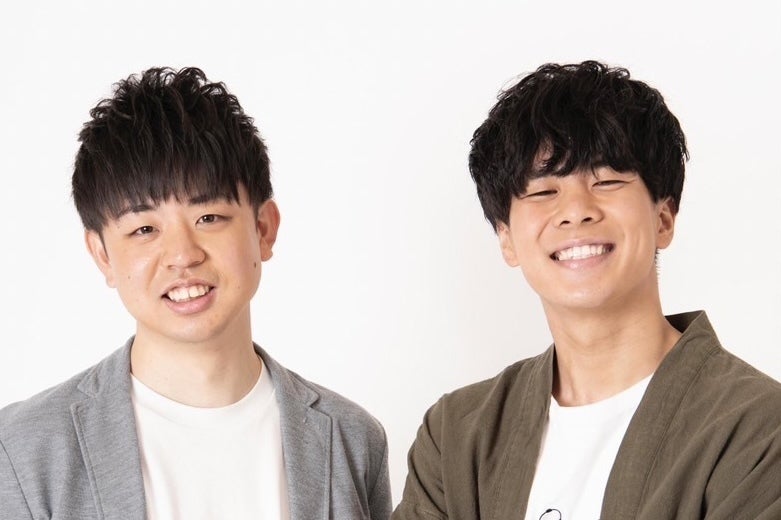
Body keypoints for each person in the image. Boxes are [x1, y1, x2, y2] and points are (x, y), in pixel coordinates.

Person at [392, 61, 781, 519]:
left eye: (607, 181)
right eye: (543, 192)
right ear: (506, 239)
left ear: (663, 218)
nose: (576, 210)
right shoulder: (456, 436)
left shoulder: (757, 428)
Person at [0, 67, 391, 520]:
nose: (182, 255)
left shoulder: (353, 439)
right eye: (144, 229)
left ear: (264, 229)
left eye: (209, 218)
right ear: (102, 254)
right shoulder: (21, 452)